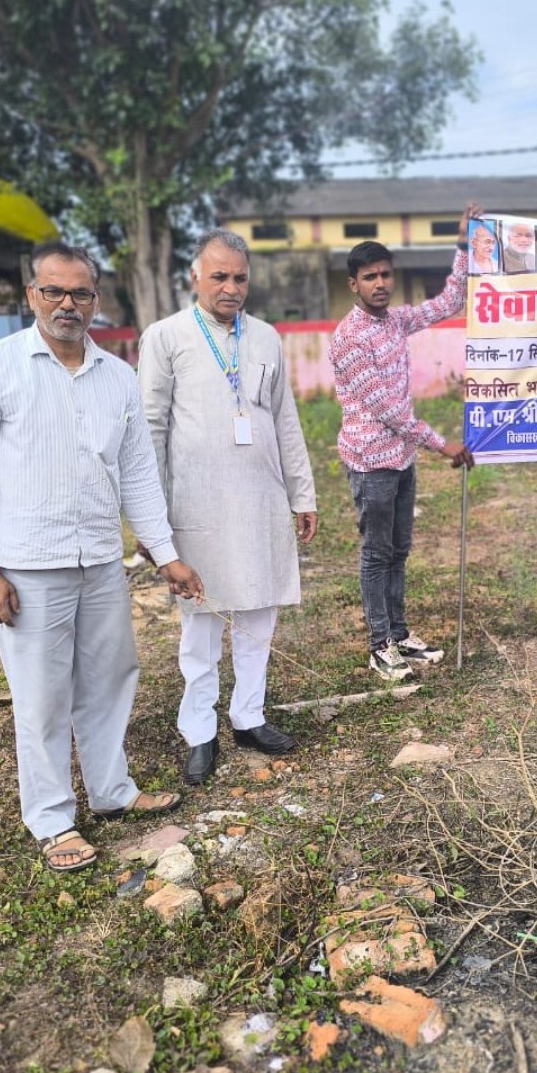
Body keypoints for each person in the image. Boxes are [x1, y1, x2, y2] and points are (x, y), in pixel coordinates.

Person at [0, 241, 203, 872]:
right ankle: (53, 820)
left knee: (112, 679)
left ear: (95, 300)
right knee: (40, 696)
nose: (67, 304)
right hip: (28, 566)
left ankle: (113, 792)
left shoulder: (116, 376)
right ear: (30, 295)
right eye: (53, 291)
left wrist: (166, 554)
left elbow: (137, 474)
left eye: (80, 293)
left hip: (99, 561)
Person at [138, 230, 317, 785]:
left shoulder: (264, 337)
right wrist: (151, 518)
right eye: (219, 276)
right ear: (194, 277)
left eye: (240, 277)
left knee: (259, 612)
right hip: (197, 503)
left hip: (262, 500)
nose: (231, 287)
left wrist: (302, 492)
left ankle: (248, 716)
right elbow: (150, 427)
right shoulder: (165, 337)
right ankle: (199, 732)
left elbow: (283, 418)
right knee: (201, 623)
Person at [330, 206, 477, 679]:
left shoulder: (394, 321)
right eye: (370, 276)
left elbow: (450, 301)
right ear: (353, 284)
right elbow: (388, 411)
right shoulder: (348, 338)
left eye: (385, 275)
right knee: (376, 553)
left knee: (398, 551)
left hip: (401, 459)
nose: (380, 283)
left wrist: (461, 246)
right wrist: (443, 444)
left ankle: (398, 634)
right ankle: (379, 646)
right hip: (371, 462)